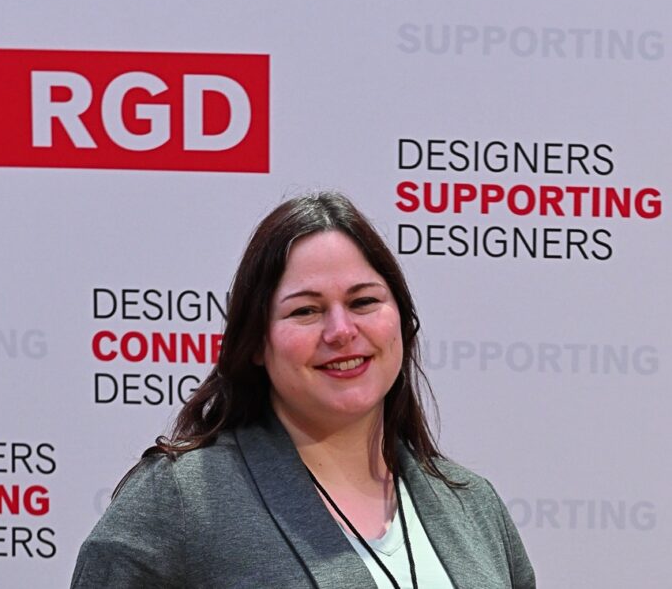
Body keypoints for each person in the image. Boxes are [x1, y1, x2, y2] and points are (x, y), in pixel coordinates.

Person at [71, 192, 535, 588]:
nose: (341, 331)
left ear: (401, 320)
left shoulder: (473, 504)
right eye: (305, 311)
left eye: (363, 302)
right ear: (257, 342)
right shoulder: (180, 500)